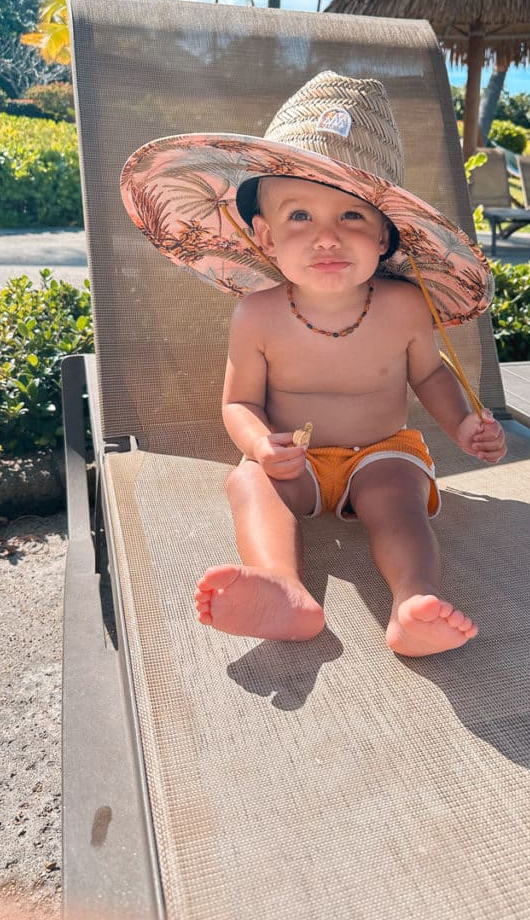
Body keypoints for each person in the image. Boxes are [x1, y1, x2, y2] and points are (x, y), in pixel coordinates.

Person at [120, 71, 506, 657]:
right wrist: (259, 445)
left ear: (385, 236)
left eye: (351, 217)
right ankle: (282, 588)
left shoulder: (405, 306)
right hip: (291, 459)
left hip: (381, 451)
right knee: (249, 482)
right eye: (299, 216)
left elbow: (430, 374)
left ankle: (413, 602)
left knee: (398, 500)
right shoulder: (257, 315)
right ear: (263, 234)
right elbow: (238, 402)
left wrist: (461, 425)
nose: (326, 237)